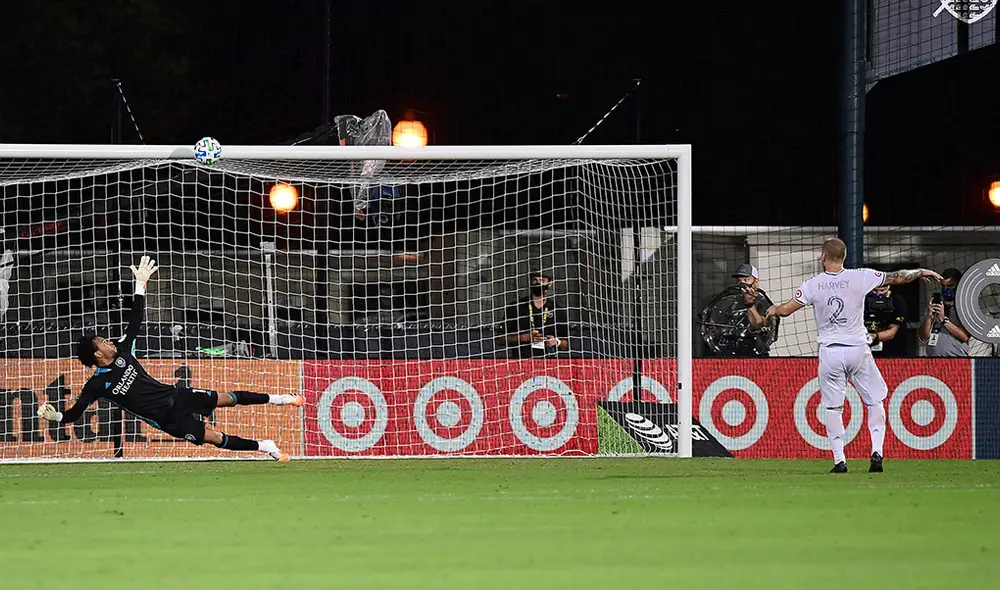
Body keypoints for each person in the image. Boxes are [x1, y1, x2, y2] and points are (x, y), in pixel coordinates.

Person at [35, 255, 303, 461]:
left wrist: (140, 284)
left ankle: (279, 398)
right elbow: (74, 414)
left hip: (178, 396)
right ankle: (264, 446)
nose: (108, 341)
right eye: (102, 342)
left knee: (227, 398)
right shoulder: (97, 385)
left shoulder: (123, 352)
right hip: (168, 420)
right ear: (97, 354)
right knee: (213, 437)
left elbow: (136, 319)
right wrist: (56, 416)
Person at [766, 238, 942, 473]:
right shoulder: (860, 276)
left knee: (833, 408)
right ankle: (877, 452)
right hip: (859, 349)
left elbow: (787, 310)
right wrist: (921, 271)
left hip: (831, 352)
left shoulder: (813, 284)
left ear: (822, 256)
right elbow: (898, 276)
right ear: (844, 257)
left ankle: (840, 460)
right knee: (874, 401)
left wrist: (773, 309)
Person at [698, 264, 777, 357]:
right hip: (729, 348)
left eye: (746, 280)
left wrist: (750, 304)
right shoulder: (732, 301)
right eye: (739, 280)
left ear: (755, 282)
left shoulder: (762, 301)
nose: (742, 283)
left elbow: (758, 323)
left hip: (752, 350)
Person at [505, 271, 569, 358]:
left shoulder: (557, 310)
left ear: (549, 284)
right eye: (535, 280)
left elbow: (566, 344)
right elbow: (499, 339)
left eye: (542, 280)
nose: (538, 283)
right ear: (529, 282)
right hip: (521, 363)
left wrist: (557, 342)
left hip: (549, 364)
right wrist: (524, 337)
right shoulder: (516, 307)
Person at [918, 267, 970, 357]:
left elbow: (964, 336)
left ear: (958, 285)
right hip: (933, 360)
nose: (946, 289)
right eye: (943, 286)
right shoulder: (936, 304)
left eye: (950, 286)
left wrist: (944, 320)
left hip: (955, 359)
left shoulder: (964, 306)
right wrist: (929, 317)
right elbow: (923, 337)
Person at [864, 283, 909, 357]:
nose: (878, 294)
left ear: (888, 287)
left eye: (882, 290)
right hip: (865, 347)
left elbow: (892, 331)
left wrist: (873, 336)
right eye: (875, 291)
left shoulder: (897, 301)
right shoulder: (863, 299)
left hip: (891, 350)